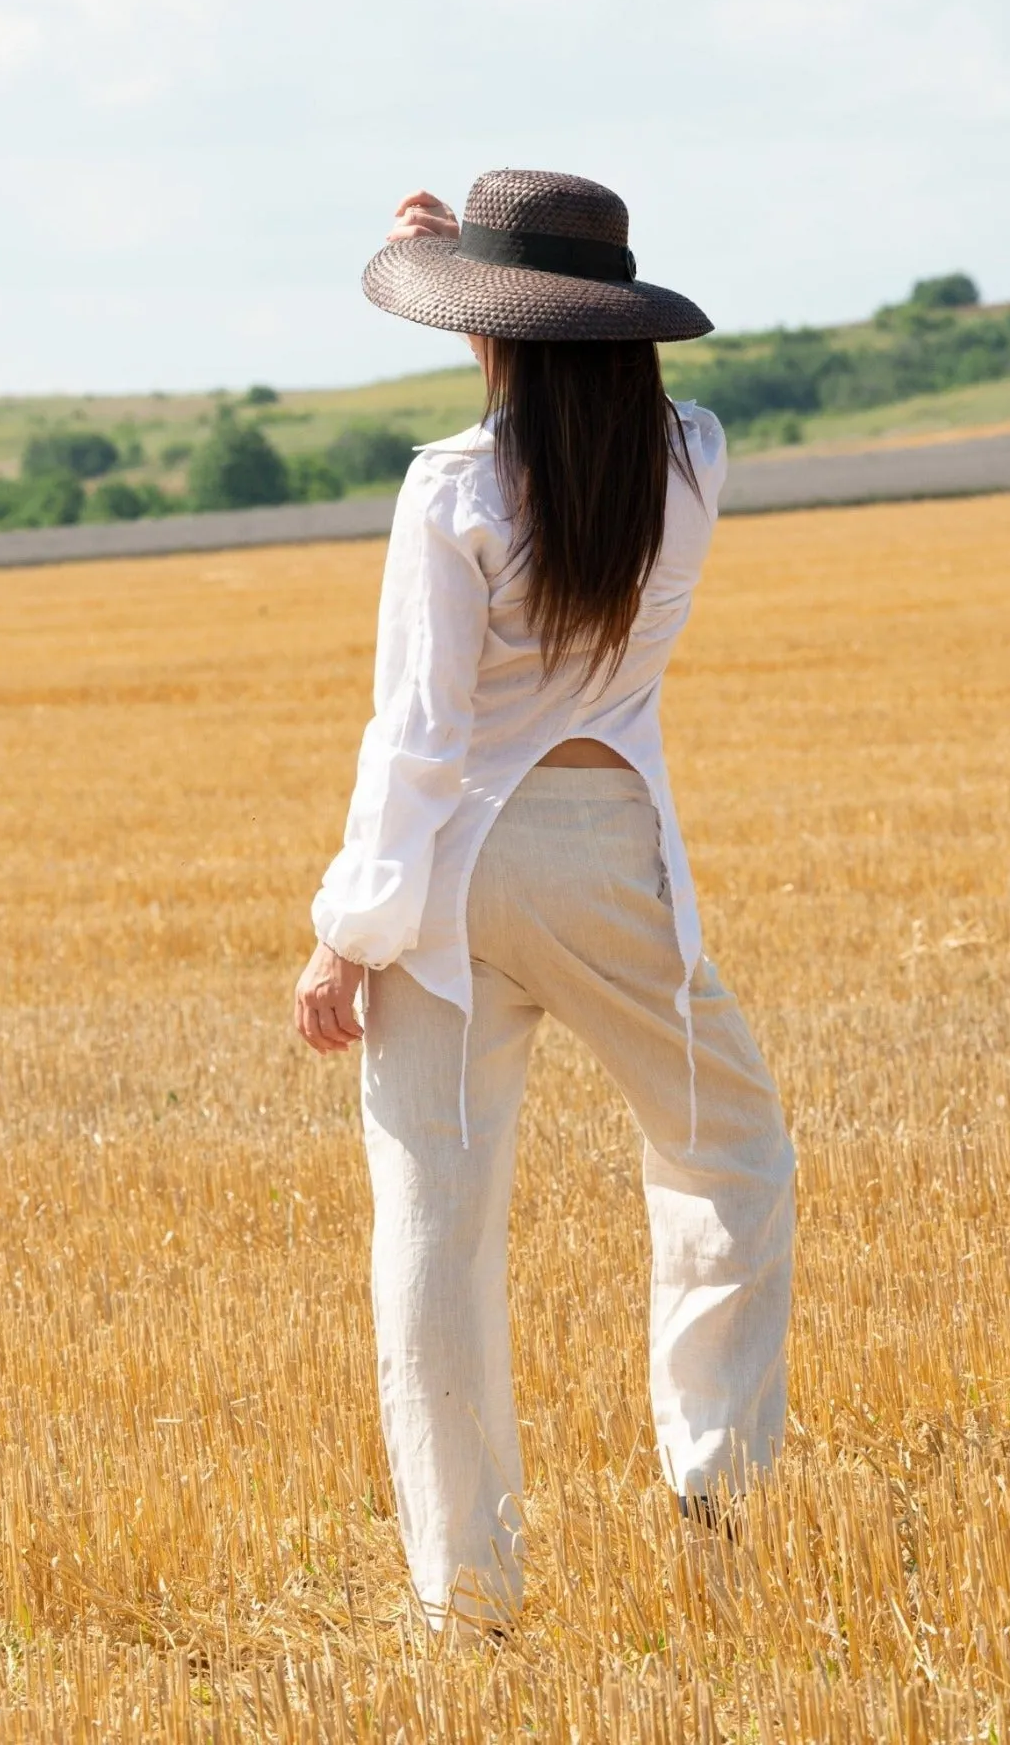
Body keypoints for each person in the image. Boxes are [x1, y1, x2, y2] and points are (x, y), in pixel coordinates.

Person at [294, 169, 796, 1637]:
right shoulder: (694, 457)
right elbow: (562, 385)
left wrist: (347, 932)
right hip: (608, 850)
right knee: (728, 1154)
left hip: (454, 877)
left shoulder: (452, 485)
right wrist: (472, 276)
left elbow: (418, 735)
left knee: (436, 1228)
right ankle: (717, 1488)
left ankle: (469, 1597)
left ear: (490, 330)